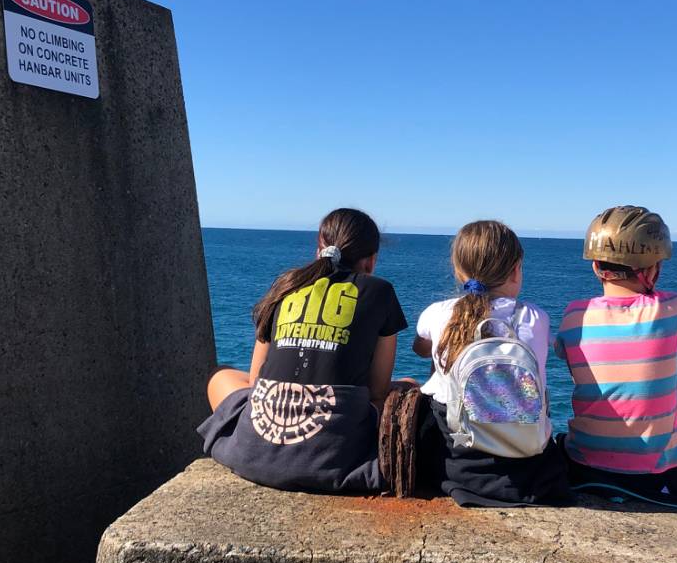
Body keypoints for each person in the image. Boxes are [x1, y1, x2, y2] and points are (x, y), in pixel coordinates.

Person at [199, 208, 407, 493]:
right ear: (371, 261)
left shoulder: (286, 285)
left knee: (221, 376)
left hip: (254, 452)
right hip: (333, 456)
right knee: (408, 386)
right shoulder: (380, 290)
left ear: (318, 248)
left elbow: (256, 381)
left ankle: (260, 438)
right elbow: (378, 390)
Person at [553, 205, 677, 511]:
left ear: (596, 266)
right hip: (653, 476)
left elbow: (566, 354)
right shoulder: (669, 310)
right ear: (653, 270)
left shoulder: (575, 315)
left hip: (585, 467)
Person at [413, 220, 569, 506]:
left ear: (459, 270)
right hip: (527, 467)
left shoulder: (438, 313)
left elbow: (419, 347)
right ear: (515, 271)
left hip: (458, 462)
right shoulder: (536, 318)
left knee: (431, 384)